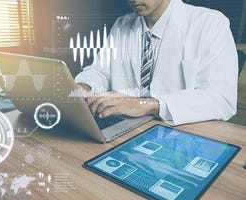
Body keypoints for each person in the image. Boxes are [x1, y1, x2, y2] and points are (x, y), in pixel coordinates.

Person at [75, 0, 238, 126]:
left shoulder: (210, 23)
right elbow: (101, 71)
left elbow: (220, 99)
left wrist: (147, 105)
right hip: (127, 127)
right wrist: (84, 85)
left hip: (181, 134)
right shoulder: (122, 24)